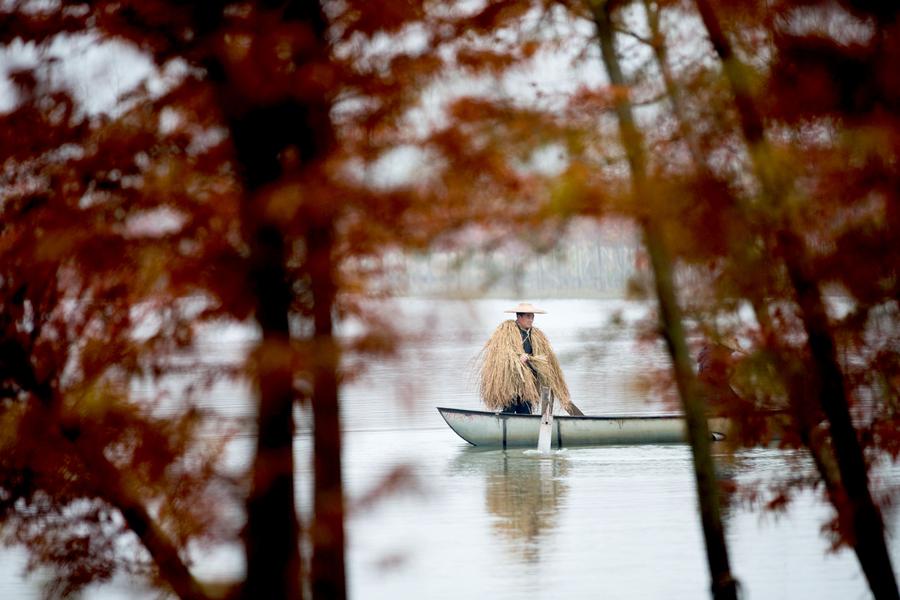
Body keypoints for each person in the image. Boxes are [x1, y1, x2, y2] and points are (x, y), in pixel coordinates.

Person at [477, 302, 583, 416]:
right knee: (509, 409)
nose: (531, 319)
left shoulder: (536, 334)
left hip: (529, 383)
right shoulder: (506, 330)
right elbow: (500, 352)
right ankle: (505, 427)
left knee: (526, 411)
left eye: (532, 316)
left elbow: (546, 357)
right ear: (519, 317)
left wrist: (545, 370)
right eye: (528, 316)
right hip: (511, 380)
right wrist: (517, 358)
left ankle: (525, 429)